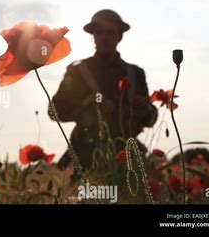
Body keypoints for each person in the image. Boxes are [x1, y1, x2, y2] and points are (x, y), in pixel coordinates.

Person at [49, 9, 158, 170]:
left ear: (119, 36)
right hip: (88, 156)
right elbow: (55, 111)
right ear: (93, 37)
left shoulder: (135, 73)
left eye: (110, 32)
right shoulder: (77, 71)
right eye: (99, 33)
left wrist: (144, 109)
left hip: (127, 155)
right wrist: (87, 105)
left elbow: (151, 120)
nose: (104, 37)